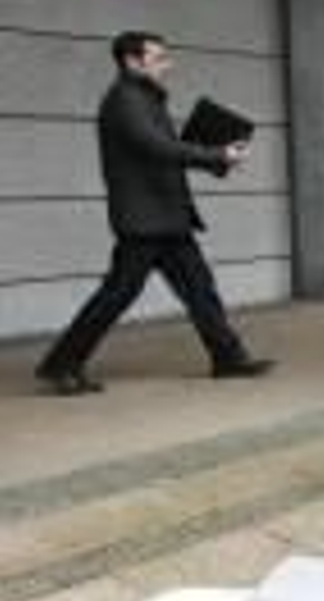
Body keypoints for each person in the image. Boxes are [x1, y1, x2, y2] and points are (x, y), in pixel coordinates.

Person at [33, 32, 274, 395]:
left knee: (200, 289)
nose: (167, 64)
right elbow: (157, 147)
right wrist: (217, 156)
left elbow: (167, 151)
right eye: (159, 57)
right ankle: (61, 364)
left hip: (167, 217)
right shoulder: (124, 101)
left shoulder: (145, 99)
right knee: (117, 294)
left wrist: (215, 157)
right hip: (144, 222)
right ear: (132, 61)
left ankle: (228, 357)